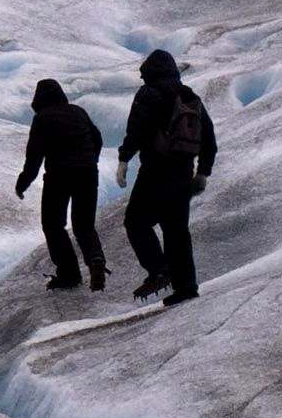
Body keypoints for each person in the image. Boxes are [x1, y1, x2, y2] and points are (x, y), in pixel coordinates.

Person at [117, 49, 217, 305]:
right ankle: (186, 288)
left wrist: (124, 159)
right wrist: (203, 171)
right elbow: (209, 136)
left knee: (136, 222)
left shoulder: (148, 93)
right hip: (182, 173)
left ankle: (159, 269)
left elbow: (136, 129)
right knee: (177, 231)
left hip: (154, 171)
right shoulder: (188, 96)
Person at [15, 77, 107, 291]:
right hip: (87, 174)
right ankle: (96, 259)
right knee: (84, 225)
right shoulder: (78, 112)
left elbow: (34, 156)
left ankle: (69, 274)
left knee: (53, 225)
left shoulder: (42, 119)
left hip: (59, 176)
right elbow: (98, 138)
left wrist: (23, 183)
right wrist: (90, 160)